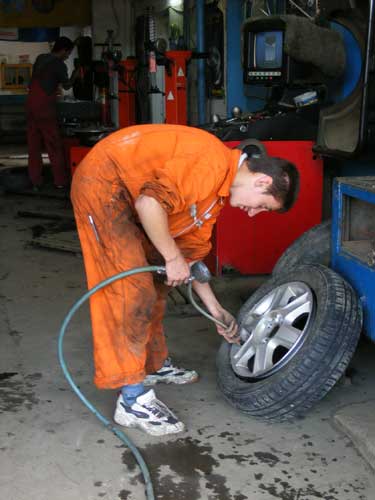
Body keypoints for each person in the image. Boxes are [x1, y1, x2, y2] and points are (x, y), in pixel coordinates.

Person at [70, 124, 300, 436]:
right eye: (262, 205)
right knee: (130, 292)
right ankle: (132, 400)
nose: (252, 214)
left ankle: (150, 365)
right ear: (262, 181)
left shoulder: (216, 195)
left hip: (129, 191)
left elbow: (190, 256)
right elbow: (149, 204)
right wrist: (172, 257)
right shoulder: (209, 163)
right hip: (104, 184)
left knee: (158, 283)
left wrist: (216, 310)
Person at [26, 36, 78, 190]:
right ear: (63, 50)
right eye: (68, 53)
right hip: (44, 108)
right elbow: (67, 86)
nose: (67, 56)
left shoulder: (41, 58)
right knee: (53, 144)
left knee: (33, 144)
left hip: (30, 104)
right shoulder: (59, 65)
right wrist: (76, 73)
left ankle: (35, 180)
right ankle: (60, 182)